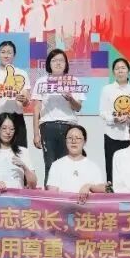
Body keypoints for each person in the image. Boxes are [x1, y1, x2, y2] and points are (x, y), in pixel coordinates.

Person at [46, 124, 106, 258]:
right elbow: (51, 193)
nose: (73, 141)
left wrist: (90, 186)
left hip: (86, 225)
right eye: (70, 137)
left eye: (78, 138)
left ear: (84, 141)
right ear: (65, 141)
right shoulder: (57, 165)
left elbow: (102, 189)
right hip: (63, 224)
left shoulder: (92, 166)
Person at [33, 49, 85, 183]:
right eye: (54, 60)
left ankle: (67, 193)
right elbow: (36, 108)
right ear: (49, 63)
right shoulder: (41, 82)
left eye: (61, 60)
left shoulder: (73, 81)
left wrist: (70, 98)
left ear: (66, 63)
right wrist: (36, 134)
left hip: (69, 127)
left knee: (68, 163)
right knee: (50, 164)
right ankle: (50, 194)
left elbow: (78, 107)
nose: (58, 63)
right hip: (48, 127)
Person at [98, 57, 130, 183]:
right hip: (112, 134)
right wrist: (114, 119)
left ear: (128, 71)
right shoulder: (107, 89)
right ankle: (112, 192)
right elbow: (102, 112)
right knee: (112, 168)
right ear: (113, 72)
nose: (120, 71)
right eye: (117, 69)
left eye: (123, 68)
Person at [0, 40, 31, 148]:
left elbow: (26, 102)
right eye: (3, 52)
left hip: (16, 118)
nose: (6, 55)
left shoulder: (22, 74)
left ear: (14, 55)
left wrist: (24, 100)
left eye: (9, 52)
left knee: (19, 153)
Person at [0, 113, 38, 192]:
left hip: (17, 197)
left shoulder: (23, 151)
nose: (8, 132)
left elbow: (33, 185)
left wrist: (25, 168)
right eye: (4, 128)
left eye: (12, 129)